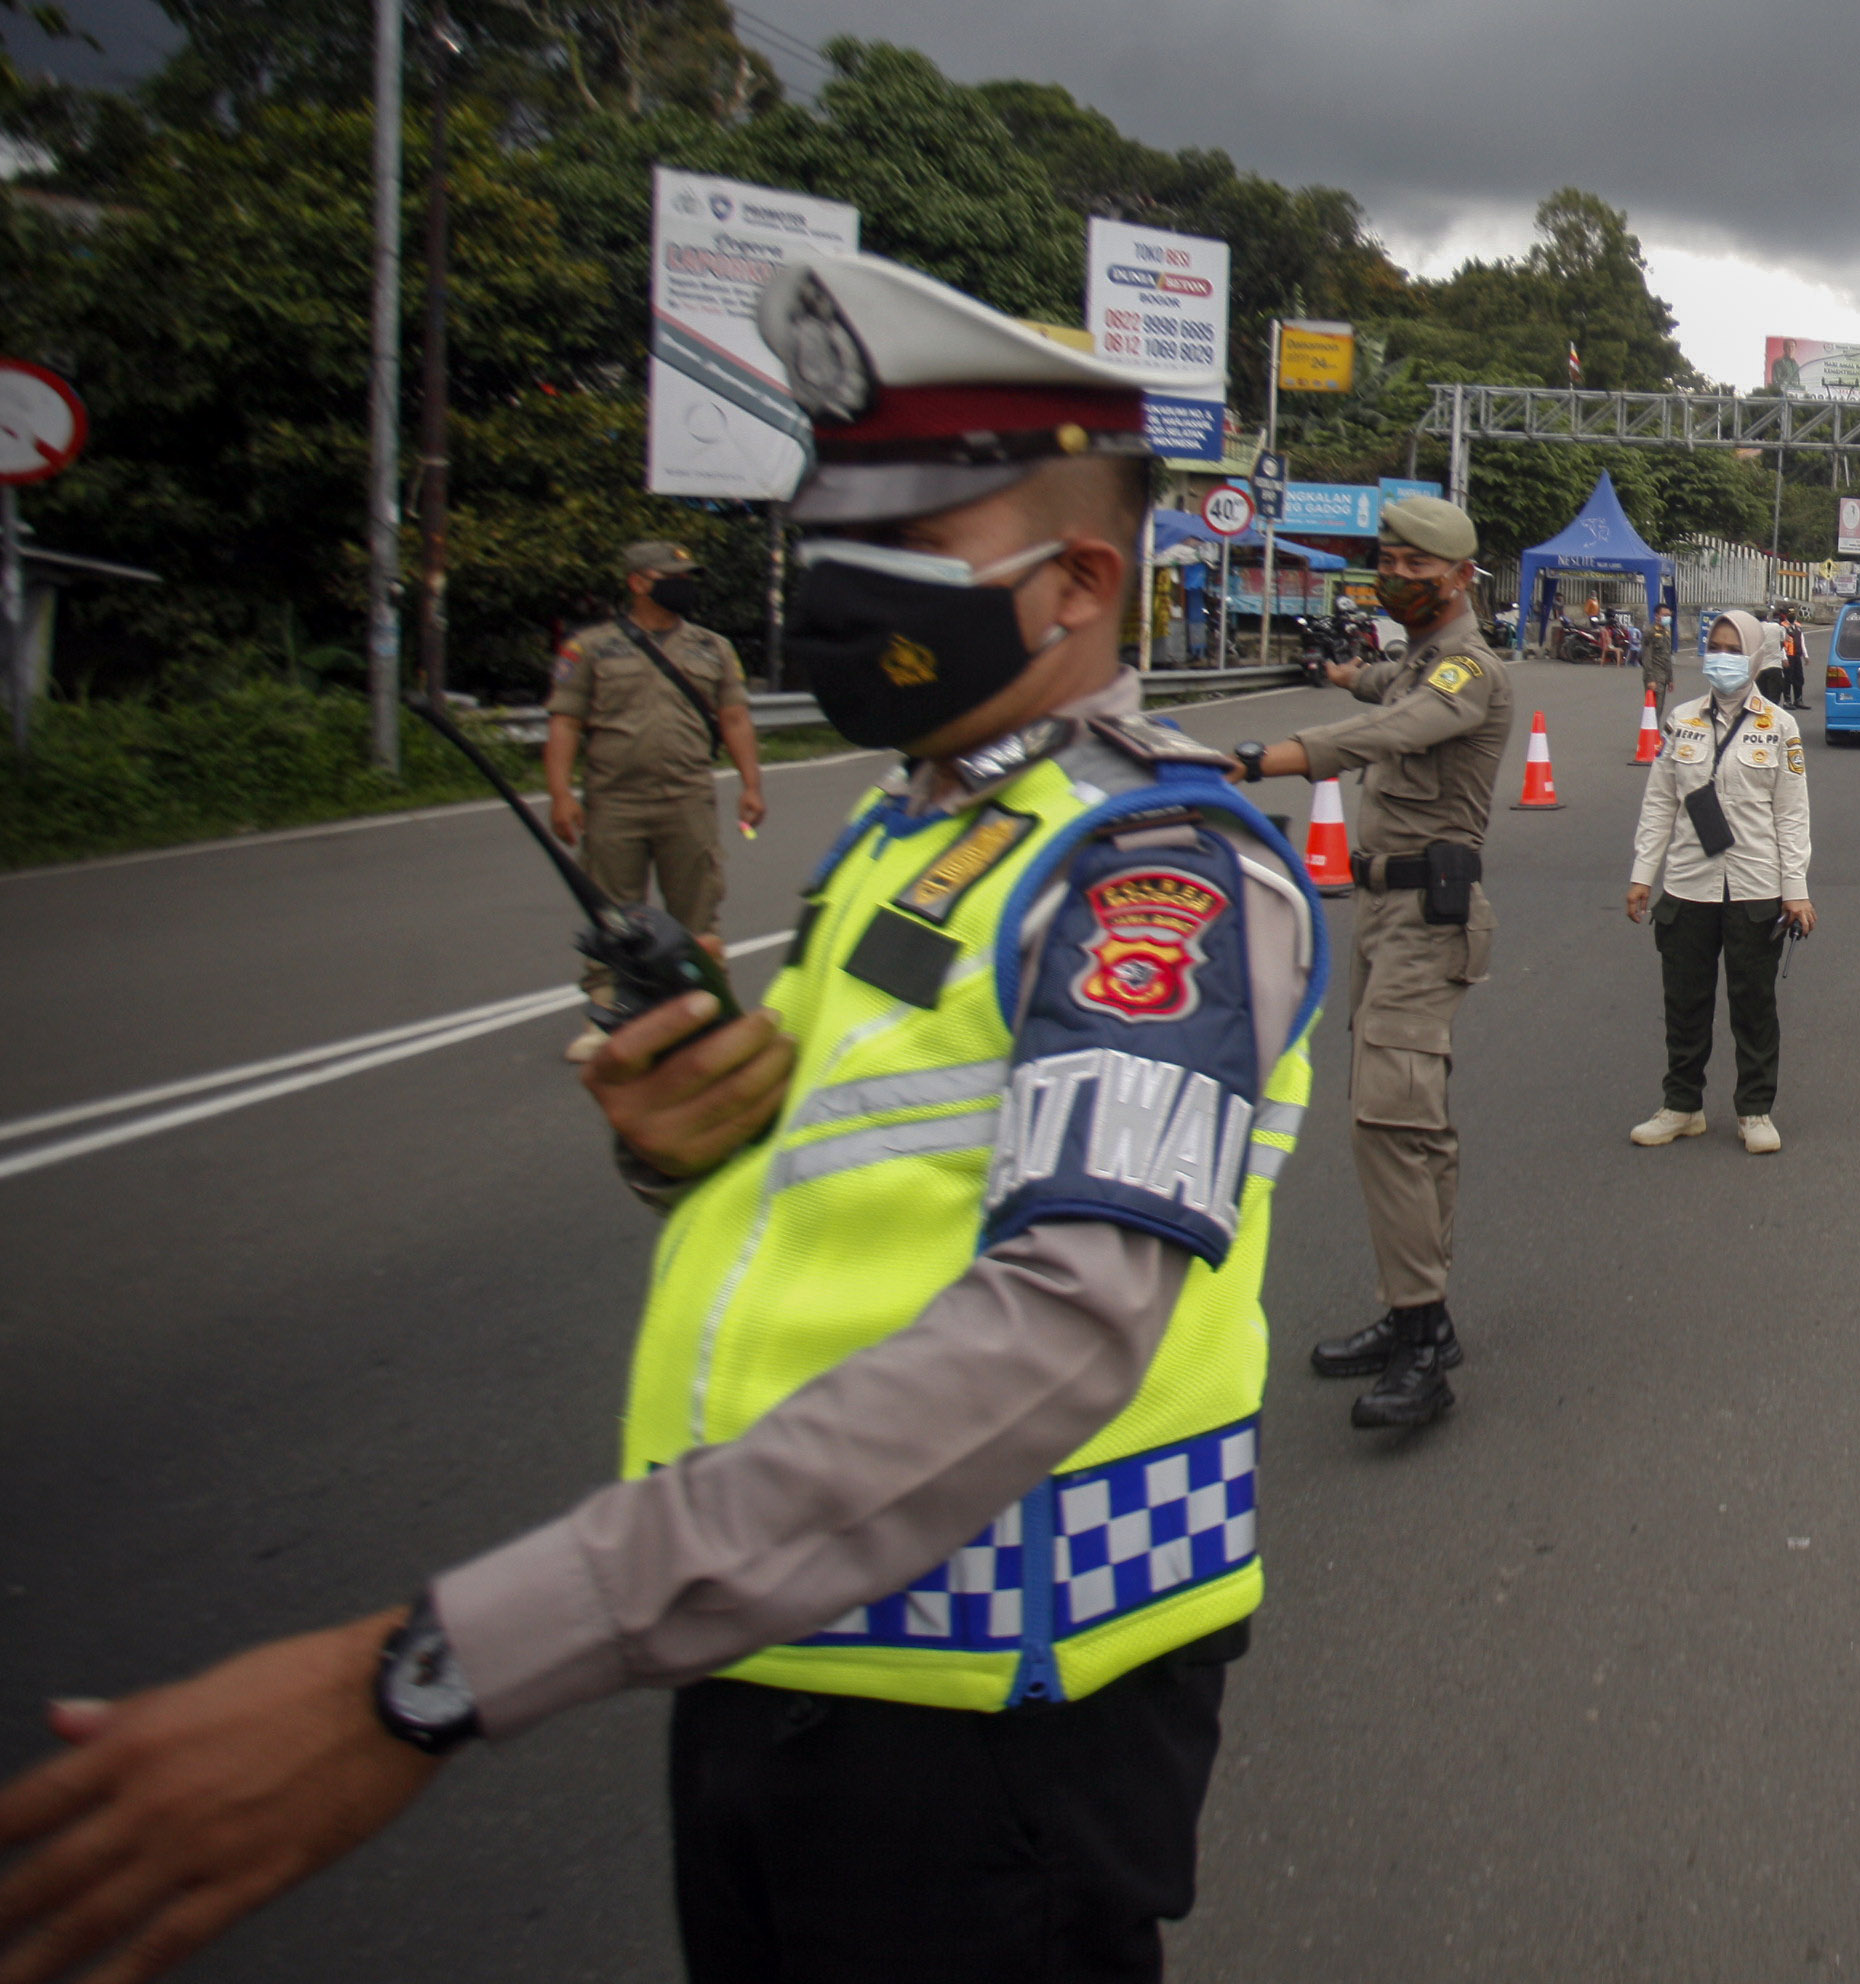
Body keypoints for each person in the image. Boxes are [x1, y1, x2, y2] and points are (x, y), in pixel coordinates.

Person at [0, 252, 1319, 1982]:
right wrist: (682, 1142)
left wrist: (435, 1670)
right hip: (774, 1658)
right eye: (817, 536)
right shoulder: (908, 834)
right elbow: (852, 1199)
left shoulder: (1154, 869)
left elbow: (1063, 1318)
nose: (823, 586)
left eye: (889, 550)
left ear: (1075, 582)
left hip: (996, 1715)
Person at [1233, 492, 1509, 1429]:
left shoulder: (1467, 668)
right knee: (1397, 1123)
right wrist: (1344, 672)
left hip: (1429, 917)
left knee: (1392, 1118)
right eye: (1385, 561)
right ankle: (1411, 1313)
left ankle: (1425, 1343)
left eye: (1413, 567)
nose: (1394, 577)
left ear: (1461, 577)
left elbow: (1395, 729)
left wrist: (1264, 757)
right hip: (1385, 914)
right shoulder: (1422, 662)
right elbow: (1384, 691)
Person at [543, 538, 765, 1061]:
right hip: (613, 801)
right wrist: (560, 795)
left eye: (687, 577)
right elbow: (565, 722)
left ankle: (708, 1009)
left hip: (688, 797)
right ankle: (609, 1012)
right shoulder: (592, 648)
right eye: (671, 576)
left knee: (698, 911)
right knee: (613, 917)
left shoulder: (712, 648)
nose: (682, 586)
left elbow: (734, 718)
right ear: (638, 581)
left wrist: (751, 784)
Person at [1623, 611, 1815, 1151]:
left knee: (1753, 1004)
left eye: (1734, 648)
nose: (1723, 656)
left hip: (1756, 886)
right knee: (1684, 1001)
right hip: (1687, 884)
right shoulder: (1680, 720)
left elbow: (1792, 814)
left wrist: (1795, 889)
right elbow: (1661, 803)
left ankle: (1755, 1110)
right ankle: (1681, 1105)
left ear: (1755, 658)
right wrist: (1643, 875)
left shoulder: (1780, 726)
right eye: (1716, 645)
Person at [1638, 600, 1675, 716]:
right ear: (1656, 616)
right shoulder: (1650, 632)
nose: (1667, 618)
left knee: (1659, 709)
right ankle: (1651, 733)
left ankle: (1655, 733)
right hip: (1654, 675)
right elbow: (1646, 657)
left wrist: (1670, 679)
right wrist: (1650, 679)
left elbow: (1667, 657)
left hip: (1663, 677)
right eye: (1664, 615)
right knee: (1653, 710)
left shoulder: (1667, 632)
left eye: (1669, 616)